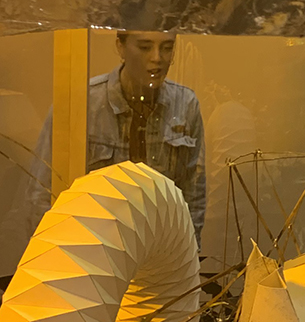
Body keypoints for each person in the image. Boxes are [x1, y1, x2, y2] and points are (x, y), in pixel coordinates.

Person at [29, 31, 206, 244]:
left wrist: (186, 256)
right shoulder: (83, 102)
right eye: (144, 47)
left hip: (158, 252)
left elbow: (193, 194)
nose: (157, 58)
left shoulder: (185, 104)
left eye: (167, 48)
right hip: (91, 249)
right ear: (120, 47)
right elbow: (43, 194)